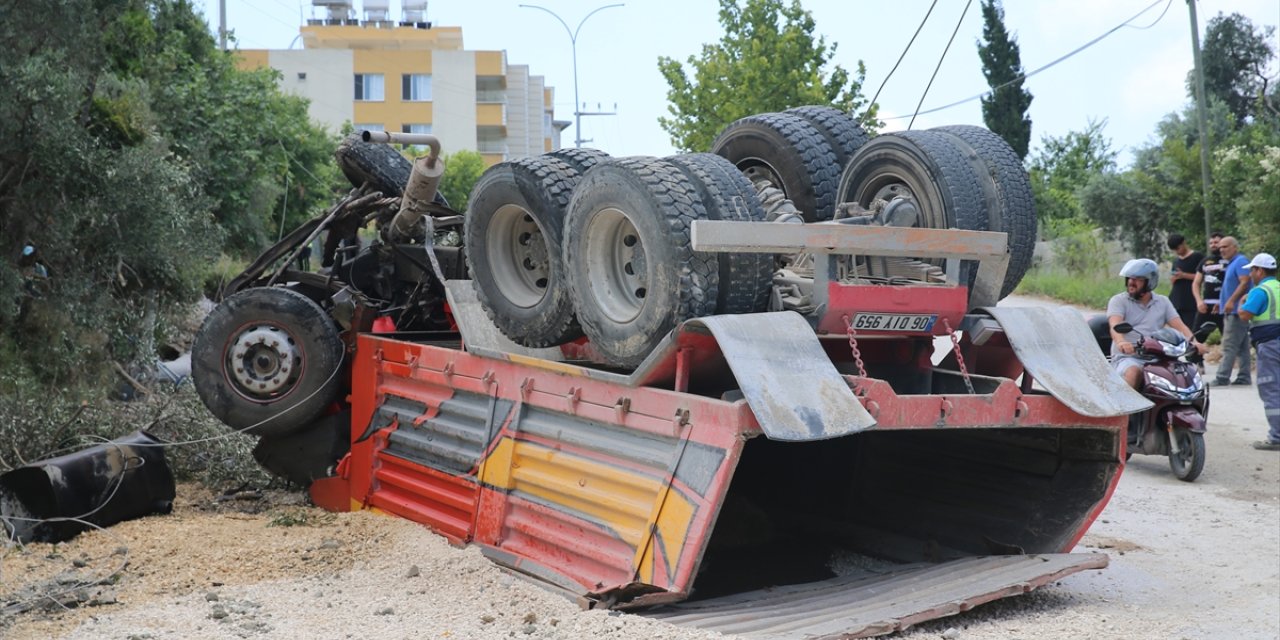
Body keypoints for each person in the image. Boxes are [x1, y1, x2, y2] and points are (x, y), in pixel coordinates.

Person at [1108, 258, 1205, 390]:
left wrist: (1195, 342)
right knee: (1133, 372)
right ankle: (1124, 410)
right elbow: (1115, 325)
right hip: (1128, 357)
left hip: (1158, 356)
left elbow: (1180, 326)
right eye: (1129, 278)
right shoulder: (1119, 301)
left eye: (1137, 279)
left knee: (1183, 375)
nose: (1131, 282)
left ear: (1150, 282)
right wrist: (1121, 343)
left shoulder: (1163, 302)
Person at [1237, 252, 1279, 451]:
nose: (1251, 275)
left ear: (1259, 271)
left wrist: (1242, 301)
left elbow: (1245, 314)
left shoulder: (1260, 290)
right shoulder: (1278, 288)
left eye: (1252, 270)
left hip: (1270, 345)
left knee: (1271, 389)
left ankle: (1277, 437)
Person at [1213, 236, 1252, 386]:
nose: (1221, 249)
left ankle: (1222, 377)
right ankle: (1244, 377)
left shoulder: (1240, 261)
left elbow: (1244, 282)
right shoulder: (1232, 263)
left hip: (1237, 311)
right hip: (1233, 310)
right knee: (1242, 346)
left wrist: (1231, 301)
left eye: (1226, 246)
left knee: (1229, 344)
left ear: (1235, 247)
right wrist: (1221, 303)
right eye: (1220, 247)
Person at [1167, 233, 1204, 330]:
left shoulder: (1197, 257)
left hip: (1190, 301)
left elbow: (1203, 277)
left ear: (1183, 243)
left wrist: (1184, 275)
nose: (1177, 252)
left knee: (1190, 329)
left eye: (1178, 248)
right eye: (1175, 250)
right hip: (1176, 300)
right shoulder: (1176, 261)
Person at [1192, 232, 1225, 337]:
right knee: (1196, 339)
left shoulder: (1230, 261)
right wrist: (1199, 301)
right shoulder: (1205, 261)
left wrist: (1223, 302)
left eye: (1216, 242)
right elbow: (1196, 283)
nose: (1213, 245)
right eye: (1211, 243)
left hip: (1224, 306)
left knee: (1230, 340)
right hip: (1206, 306)